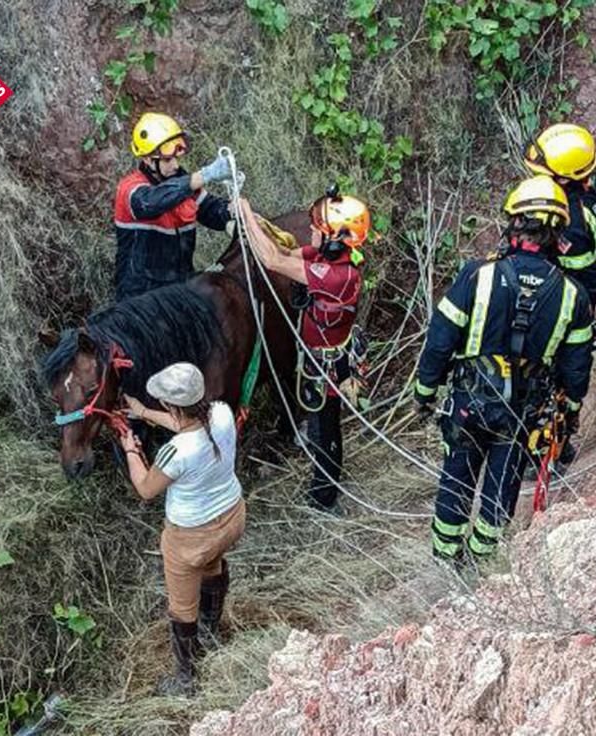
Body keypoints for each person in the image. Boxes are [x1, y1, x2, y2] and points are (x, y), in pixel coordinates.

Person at [413, 176, 594, 565]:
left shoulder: (477, 276)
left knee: (456, 480)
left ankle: (446, 563)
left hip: (470, 403)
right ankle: (481, 564)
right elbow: (576, 370)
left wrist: (425, 393)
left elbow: (440, 340)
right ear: (557, 233)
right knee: (502, 488)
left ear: (516, 225)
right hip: (521, 414)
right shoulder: (573, 296)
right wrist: (570, 413)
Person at [235, 189, 370, 514]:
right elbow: (287, 251)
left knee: (325, 430)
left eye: (316, 229)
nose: (310, 233)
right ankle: (324, 489)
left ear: (334, 237)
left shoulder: (336, 276)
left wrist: (245, 208)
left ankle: (323, 498)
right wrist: (253, 222)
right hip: (319, 358)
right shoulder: (335, 257)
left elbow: (273, 260)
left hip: (327, 367)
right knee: (322, 425)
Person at [119, 363, 245, 695]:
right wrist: (144, 412)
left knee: (181, 606)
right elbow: (187, 423)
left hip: (190, 537)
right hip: (231, 517)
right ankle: (212, 631)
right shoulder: (220, 412)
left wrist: (132, 451)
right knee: (213, 564)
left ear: (173, 406)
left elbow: (146, 488)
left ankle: (187, 678)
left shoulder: (175, 453)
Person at [524, 122, 596, 343]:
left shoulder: (568, 221)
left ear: (564, 178)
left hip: (573, 297)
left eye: (543, 173)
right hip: (594, 280)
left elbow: (585, 276)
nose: (536, 177)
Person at [113, 112, 237, 301]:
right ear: (148, 159)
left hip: (178, 290)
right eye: (168, 160)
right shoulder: (130, 189)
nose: (175, 165)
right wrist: (204, 175)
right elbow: (151, 202)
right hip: (140, 300)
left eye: (176, 158)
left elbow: (209, 209)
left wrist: (231, 213)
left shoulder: (180, 179)